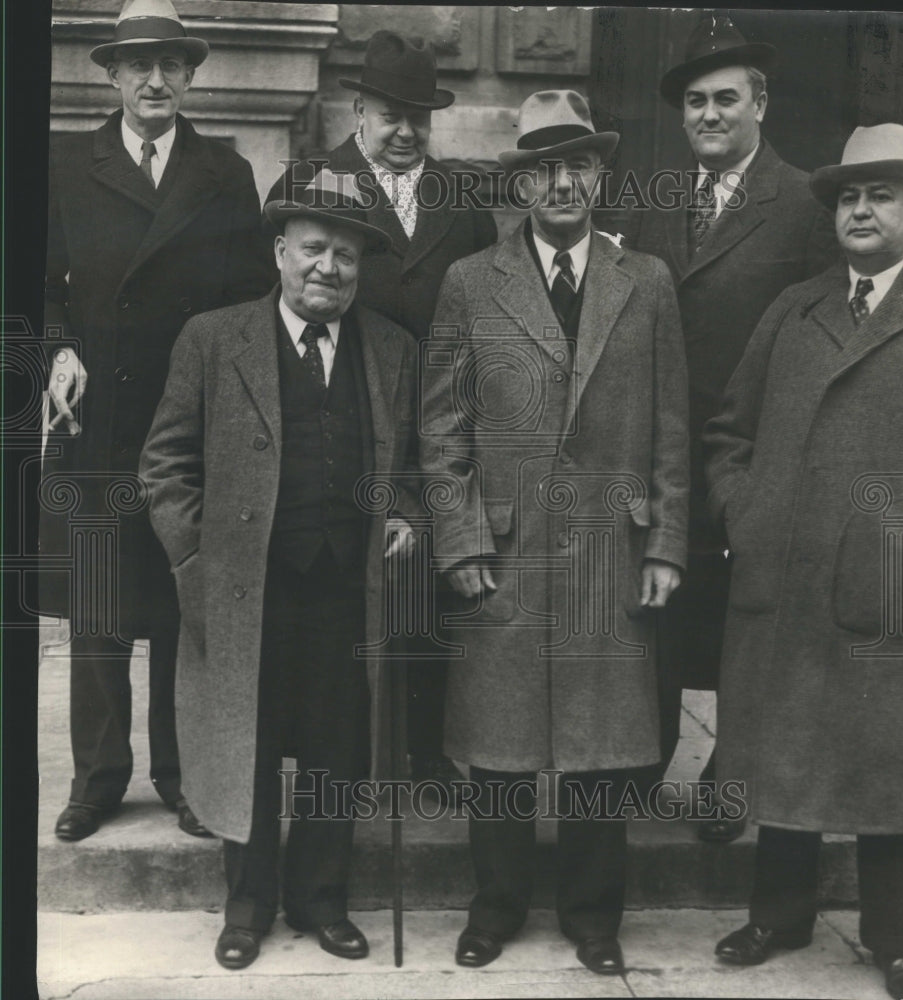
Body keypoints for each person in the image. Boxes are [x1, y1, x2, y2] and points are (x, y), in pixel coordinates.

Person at [704, 124, 903, 1000]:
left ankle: (897, 940)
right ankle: (778, 917)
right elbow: (728, 432)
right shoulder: (796, 308)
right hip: (785, 570)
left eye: (882, 195)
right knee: (788, 749)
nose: (861, 211)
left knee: (889, 759)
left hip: (896, 576)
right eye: (849, 198)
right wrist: (742, 512)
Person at [419, 90, 690, 975]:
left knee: (600, 752)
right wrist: (459, 540)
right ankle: (494, 907)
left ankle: (592, 915)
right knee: (497, 749)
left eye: (577, 165)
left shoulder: (643, 281)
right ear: (521, 185)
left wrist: (666, 543)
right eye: (542, 169)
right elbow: (444, 426)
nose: (562, 182)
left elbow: (673, 426)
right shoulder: (472, 282)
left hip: (612, 548)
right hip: (508, 546)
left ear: (600, 174)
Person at [140, 171, 420, 970]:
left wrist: (404, 513)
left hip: (345, 589)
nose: (327, 268)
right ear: (279, 253)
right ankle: (249, 904)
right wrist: (194, 554)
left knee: (336, 747)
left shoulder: (392, 349)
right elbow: (164, 463)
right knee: (247, 744)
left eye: (344, 254)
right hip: (244, 589)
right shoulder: (213, 337)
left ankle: (321, 899)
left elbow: (414, 466)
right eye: (311, 250)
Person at [42, 0, 270, 843]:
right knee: (99, 604)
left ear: (192, 75)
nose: (155, 79)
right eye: (137, 64)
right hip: (97, 416)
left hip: (188, 421)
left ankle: (182, 775)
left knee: (184, 598)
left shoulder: (225, 172)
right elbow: (34, 283)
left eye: (171, 64)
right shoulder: (68, 164)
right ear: (110, 74)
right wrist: (56, 349)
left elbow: (253, 298)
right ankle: (98, 779)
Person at [267, 29, 498, 794]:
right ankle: (349, 751)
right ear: (359, 107)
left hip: (440, 423)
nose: (405, 131)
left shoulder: (460, 196)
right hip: (347, 411)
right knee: (351, 589)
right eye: (391, 114)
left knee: (430, 586)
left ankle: (428, 752)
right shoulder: (313, 179)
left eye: (420, 117)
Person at [625, 15, 838, 842]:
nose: (708, 116)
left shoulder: (805, 201)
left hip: (751, 451)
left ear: (760, 105)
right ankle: (650, 756)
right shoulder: (657, 200)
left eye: (725, 99)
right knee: (658, 603)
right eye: (695, 104)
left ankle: (732, 774)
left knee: (749, 619)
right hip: (661, 448)